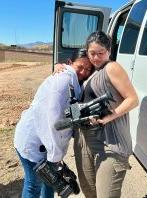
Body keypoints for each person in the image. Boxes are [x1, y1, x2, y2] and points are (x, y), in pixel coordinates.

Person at [14, 49, 93, 198]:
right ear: (70, 63)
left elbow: (70, 114)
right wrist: (56, 156)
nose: (83, 72)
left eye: (88, 69)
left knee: (49, 182)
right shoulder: (64, 79)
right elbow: (54, 120)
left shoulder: (76, 84)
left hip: (45, 143)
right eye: (80, 67)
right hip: (33, 143)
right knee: (33, 185)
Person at [74, 31, 139, 198]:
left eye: (100, 53)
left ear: (109, 50)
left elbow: (133, 99)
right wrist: (62, 67)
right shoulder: (91, 71)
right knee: (89, 190)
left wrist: (110, 116)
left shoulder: (111, 67)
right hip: (86, 140)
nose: (96, 58)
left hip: (110, 143)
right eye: (92, 53)